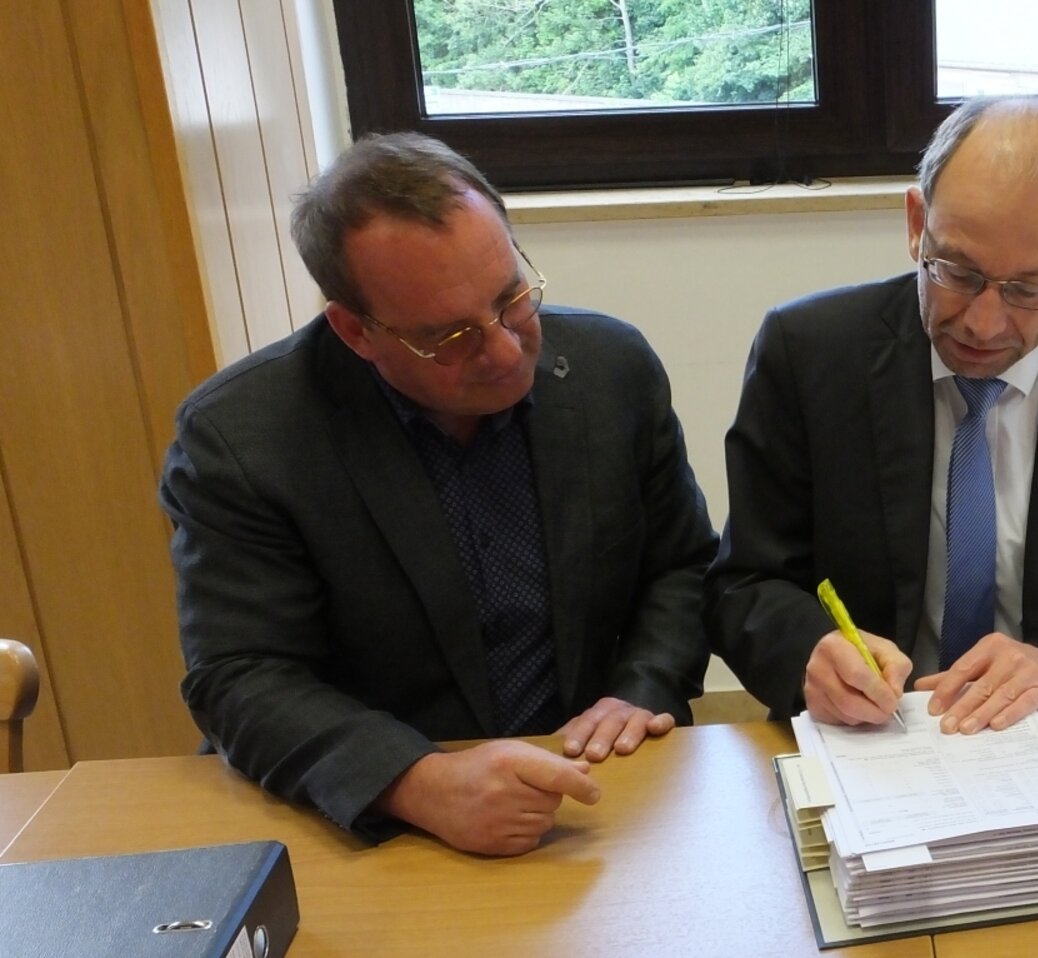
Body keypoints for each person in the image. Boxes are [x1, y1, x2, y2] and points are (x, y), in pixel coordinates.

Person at [160, 132, 718, 855]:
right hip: (373, 824)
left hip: (592, 786)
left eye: (512, 298)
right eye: (450, 337)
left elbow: (682, 565)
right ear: (356, 331)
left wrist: (640, 690)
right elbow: (240, 675)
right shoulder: (242, 437)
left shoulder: (614, 368)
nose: (505, 350)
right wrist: (416, 781)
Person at [704, 96, 1038, 737]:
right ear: (917, 224)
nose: (983, 324)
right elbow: (742, 586)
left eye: (1028, 290)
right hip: (863, 740)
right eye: (958, 273)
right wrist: (810, 651)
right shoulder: (808, 355)